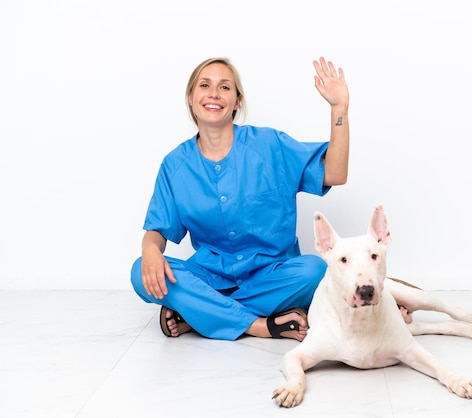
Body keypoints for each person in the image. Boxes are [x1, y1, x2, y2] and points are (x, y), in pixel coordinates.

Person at [130, 56, 349, 341]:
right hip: (211, 278)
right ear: (190, 97)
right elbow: (157, 232)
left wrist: (339, 108)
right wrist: (150, 251)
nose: (213, 94)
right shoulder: (175, 165)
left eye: (224, 87)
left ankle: (198, 314)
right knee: (140, 272)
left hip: (273, 276)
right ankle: (259, 325)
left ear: (237, 102)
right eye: (205, 85)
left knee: (315, 271)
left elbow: (334, 173)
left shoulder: (269, 145)